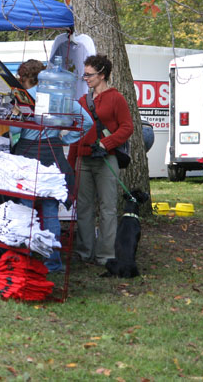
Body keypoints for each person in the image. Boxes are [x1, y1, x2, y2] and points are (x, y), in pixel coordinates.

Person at [13, 59, 92, 273]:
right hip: (53, 154)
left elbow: (12, 131)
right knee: (49, 210)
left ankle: (24, 259)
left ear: (27, 78)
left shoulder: (25, 97)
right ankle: (53, 261)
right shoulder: (61, 96)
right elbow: (87, 121)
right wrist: (65, 139)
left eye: (23, 79)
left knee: (25, 209)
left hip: (27, 153)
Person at [68, 54, 134, 266]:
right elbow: (76, 133)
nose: (85, 78)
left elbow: (127, 127)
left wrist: (106, 144)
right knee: (84, 207)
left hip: (107, 159)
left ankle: (106, 255)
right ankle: (84, 252)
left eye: (89, 75)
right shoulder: (82, 101)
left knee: (108, 208)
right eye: (84, 75)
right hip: (83, 160)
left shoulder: (116, 98)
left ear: (102, 75)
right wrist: (70, 165)